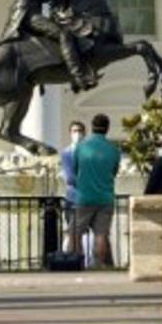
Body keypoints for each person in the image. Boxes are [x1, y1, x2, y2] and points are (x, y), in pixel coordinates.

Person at [72, 113, 121, 269]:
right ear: (107, 129)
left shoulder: (81, 147)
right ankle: (98, 264)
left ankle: (76, 262)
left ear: (92, 127)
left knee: (76, 233)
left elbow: (75, 169)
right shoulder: (114, 150)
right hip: (105, 198)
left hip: (84, 197)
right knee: (101, 234)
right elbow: (114, 172)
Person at [59, 120, 86, 253]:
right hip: (73, 199)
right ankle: (74, 260)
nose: (78, 134)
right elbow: (70, 178)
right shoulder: (67, 153)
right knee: (74, 233)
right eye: (75, 131)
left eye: (80, 131)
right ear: (70, 133)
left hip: (88, 199)